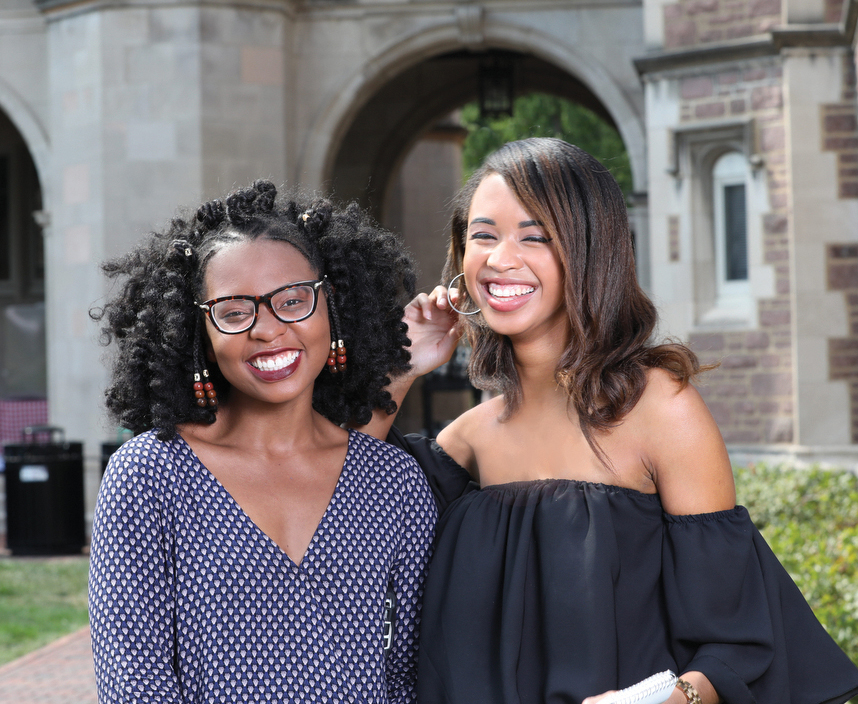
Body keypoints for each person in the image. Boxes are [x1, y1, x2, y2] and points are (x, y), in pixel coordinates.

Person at [363, 138, 858, 704]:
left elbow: (736, 646)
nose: (501, 258)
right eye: (483, 235)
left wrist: (672, 700)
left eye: (536, 236)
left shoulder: (662, 411)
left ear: (590, 250)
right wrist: (399, 370)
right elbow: (336, 498)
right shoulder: (471, 441)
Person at [88, 180, 437, 703]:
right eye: (233, 311)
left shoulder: (393, 482)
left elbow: (412, 677)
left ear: (330, 305)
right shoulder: (148, 477)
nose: (268, 330)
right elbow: (135, 685)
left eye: (292, 301)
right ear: (198, 330)